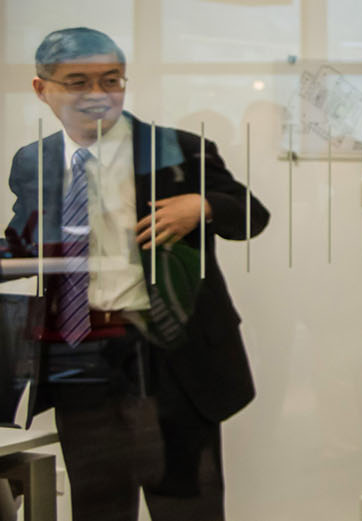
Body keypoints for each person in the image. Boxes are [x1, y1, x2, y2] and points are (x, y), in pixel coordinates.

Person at [7, 27, 270, 521]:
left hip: (171, 362)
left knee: (187, 506)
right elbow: (22, 241)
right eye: (77, 82)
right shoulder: (32, 161)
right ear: (42, 89)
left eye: (110, 80)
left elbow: (252, 214)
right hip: (78, 362)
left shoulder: (181, 151)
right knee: (98, 505)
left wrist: (204, 205)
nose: (97, 95)